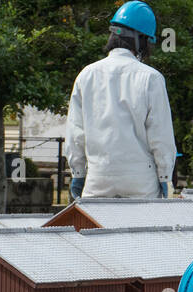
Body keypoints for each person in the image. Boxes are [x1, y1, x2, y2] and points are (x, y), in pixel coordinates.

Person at [65, 1, 176, 200]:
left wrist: (78, 173)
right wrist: (165, 177)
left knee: (97, 230)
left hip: (98, 178)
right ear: (142, 40)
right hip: (141, 181)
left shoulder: (86, 75)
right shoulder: (151, 78)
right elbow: (161, 136)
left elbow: (75, 133)